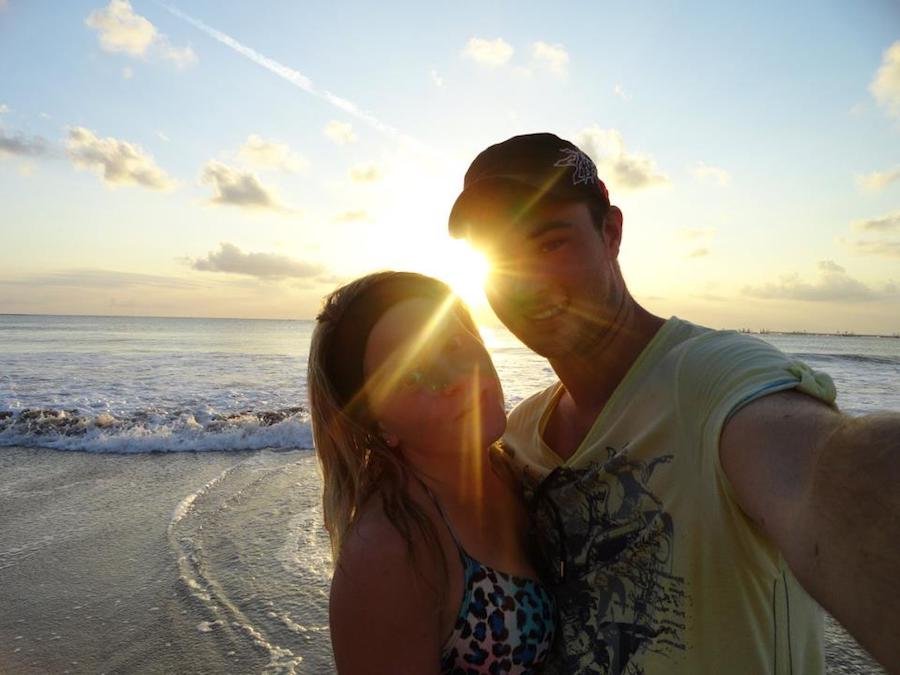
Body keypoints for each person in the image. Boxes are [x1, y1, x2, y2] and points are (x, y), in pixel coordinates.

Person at [447, 133, 900, 674]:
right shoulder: (520, 437)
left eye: (550, 244)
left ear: (610, 233)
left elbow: (826, 468)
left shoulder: (713, 380)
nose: (528, 283)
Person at [307, 271, 556, 674]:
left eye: (455, 343)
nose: (458, 378)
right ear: (378, 424)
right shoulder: (388, 555)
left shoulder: (519, 464)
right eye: (412, 375)